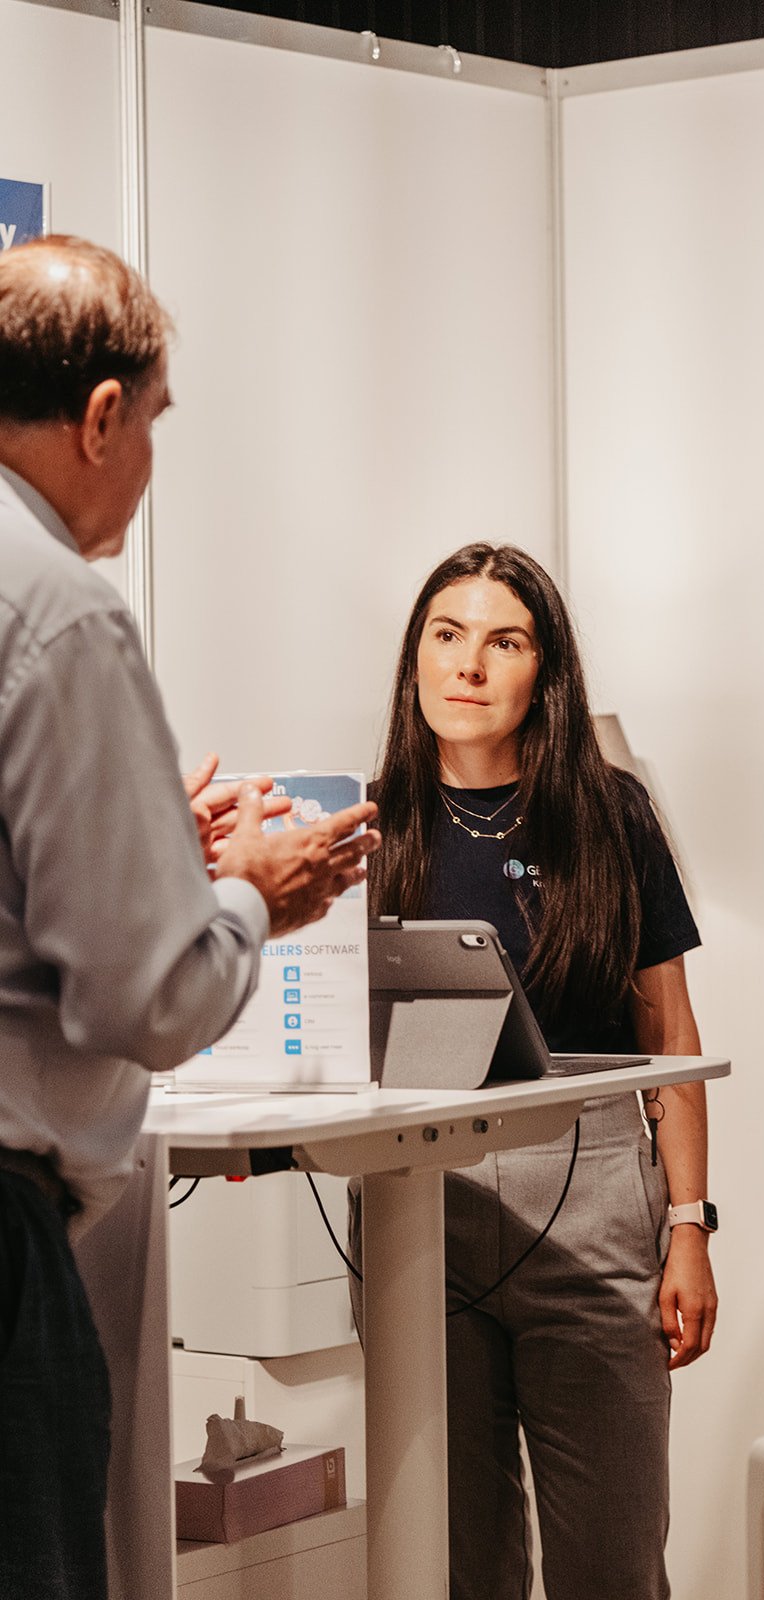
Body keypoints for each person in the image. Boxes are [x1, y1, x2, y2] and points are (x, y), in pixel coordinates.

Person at [0, 234, 380, 1599]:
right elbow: (145, 999)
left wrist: (145, 840)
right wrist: (248, 894)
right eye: (156, 423)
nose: (153, 461)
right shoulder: (59, 609)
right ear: (102, 415)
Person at [351, 542, 717, 1600]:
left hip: (591, 1191)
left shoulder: (610, 812)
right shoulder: (363, 827)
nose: (468, 664)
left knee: (611, 1562)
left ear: (542, 672)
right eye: (446, 634)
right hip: (417, 1202)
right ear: (415, 658)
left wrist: (688, 1226)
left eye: (503, 641)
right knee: (454, 1563)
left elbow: (670, 1033)